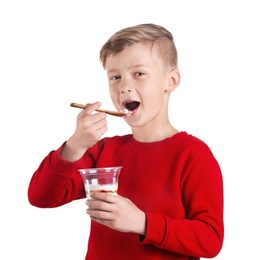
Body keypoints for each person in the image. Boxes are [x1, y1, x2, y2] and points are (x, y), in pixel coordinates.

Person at [28, 23, 224, 260]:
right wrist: (76, 145)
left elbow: (210, 240)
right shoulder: (103, 150)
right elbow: (41, 197)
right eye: (115, 77)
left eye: (139, 74)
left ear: (170, 81)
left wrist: (141, 222)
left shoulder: (193, 154)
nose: (123, 87)